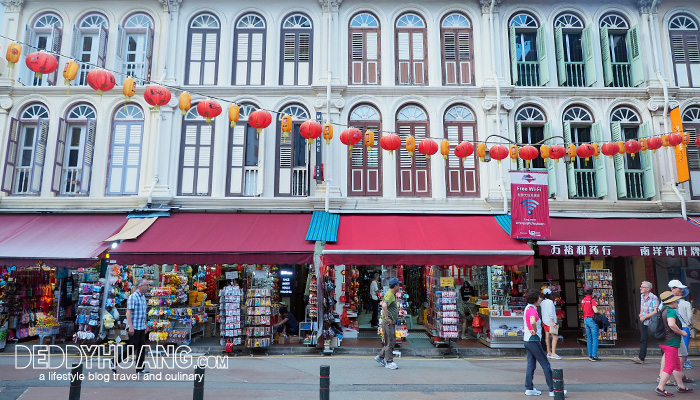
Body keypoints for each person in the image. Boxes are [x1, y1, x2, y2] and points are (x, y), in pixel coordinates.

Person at [523, 290, 566, 397]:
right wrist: (533, 329)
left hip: (527, 339)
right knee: (546, 364)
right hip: (533, 340)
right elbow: (532, 321)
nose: (540, 299)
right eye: (538, 298)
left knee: (531, 364)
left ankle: (529, 388)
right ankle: (553, 389)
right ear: (535, 299)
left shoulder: (527, 308)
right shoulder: (532, 309)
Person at [655, 291, 693, 396]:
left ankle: (681, 386)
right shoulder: (670, 311)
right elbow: (671, 324)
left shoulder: (663, 310)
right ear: (671, 302)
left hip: (665, 341)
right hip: (670, 342)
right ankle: (660, 387)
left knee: (676, 364)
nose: (677, 302)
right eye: (676, 300)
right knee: (670, 365)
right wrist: (682, 333)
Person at [115, 278, 150, 375]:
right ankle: (114, 361)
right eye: (146, 285)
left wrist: (146, 324)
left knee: (141, 348)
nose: (148, 287)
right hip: (134, 327)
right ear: (140, 286)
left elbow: (143, 313)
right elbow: (128, 313)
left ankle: (140, 369)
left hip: (141, 326)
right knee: (132, 347)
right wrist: (130, 327)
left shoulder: (143, 297)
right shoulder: (133, 297)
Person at [374, 277, 400, 370]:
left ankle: (380, 357)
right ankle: (389, 362)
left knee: (389, 341)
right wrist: (387, 318)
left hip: (389, 322)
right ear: (395, 286)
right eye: (398, 285)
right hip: (388, 322)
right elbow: (384, 305)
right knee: (390, 341)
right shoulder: (390, 294)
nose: (399, 287)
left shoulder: (391, 293)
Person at [631, 281, 659, 365]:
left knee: (659, 338)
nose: (640, 288)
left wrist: (645, 317)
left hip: (652, 322)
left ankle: (665, 357)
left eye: (642, 287)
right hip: (644, 321)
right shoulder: (642, 296)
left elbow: (655, 311)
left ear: (648, 289)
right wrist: (640, 314)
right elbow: (642, 306)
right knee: (643, 339)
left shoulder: (654, 298)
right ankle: (641, 358)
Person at [581, 285, 600, 361]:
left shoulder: (583, 300)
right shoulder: (592, 300)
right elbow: (595, 311)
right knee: (595, 338)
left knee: (589, 338)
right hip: (592, 320)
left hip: (586, 320)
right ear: (591, 292)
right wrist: (600, 312)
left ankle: (590, 355)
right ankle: (594, 355)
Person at [540, 288, 560, 359]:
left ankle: (549, 352)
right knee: (555, 337)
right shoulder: (550, 302)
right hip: (550, 322)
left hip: (544, 321)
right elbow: (551, 313)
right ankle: (554, 353)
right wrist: (553, 322)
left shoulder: (542, 302)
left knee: (547, 337)